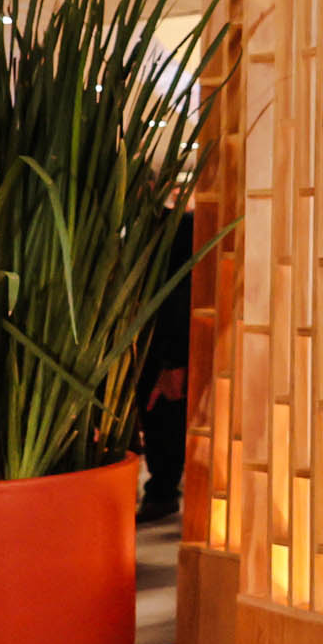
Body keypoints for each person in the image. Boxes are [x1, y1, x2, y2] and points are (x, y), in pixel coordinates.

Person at [134, 208, 194, 526]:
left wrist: (173, 361)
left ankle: (162, 492)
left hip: (166, 344)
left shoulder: (180, 225)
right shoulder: (139, 225)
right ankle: (161, 490)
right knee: (157, 413)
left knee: (163, 412)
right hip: (148, 342)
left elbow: (180, 294)